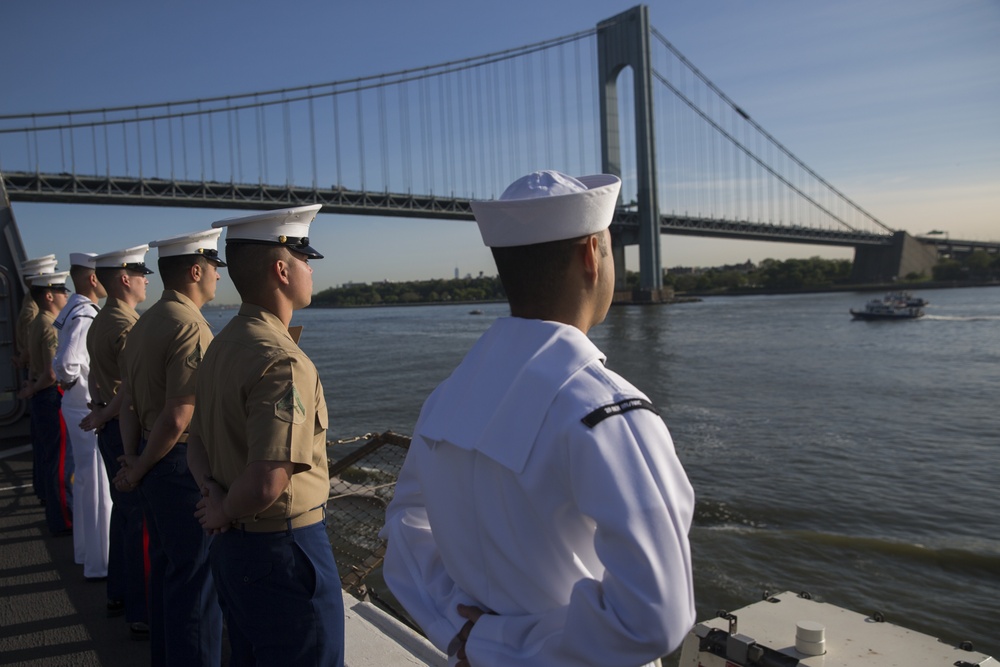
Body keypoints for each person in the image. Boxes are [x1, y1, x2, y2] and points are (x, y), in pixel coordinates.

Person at [381, 170, 696, 666]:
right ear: (592, 254)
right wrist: (498, 644)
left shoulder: (446, 399)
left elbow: (403, 525)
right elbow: (654, 618)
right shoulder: (607, 413)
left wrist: (461, 631)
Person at [187, 204, 345, 666]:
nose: (311, 270)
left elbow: (196, 442)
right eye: (305, 260)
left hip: (233, 548)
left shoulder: (222, 345)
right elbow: (265, 482)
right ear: (282, 269)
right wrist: (225, 506)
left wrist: (214, 500)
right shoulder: (284, 360)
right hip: (284, 551)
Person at [115, 229, 225, 667]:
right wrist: (140, 466)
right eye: (215, 268)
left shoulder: (145, 323)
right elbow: (180, 413)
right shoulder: (189, 326)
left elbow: (127, 402)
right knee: (196, 587)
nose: (218, 277)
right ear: (196, 270)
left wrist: (133, 456)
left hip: (150, 457)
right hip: (177, 465)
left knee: (167, 574)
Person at [82, 244, 151, 637]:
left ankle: (120, 592)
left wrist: (97, 407)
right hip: (125, 427)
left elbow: (95, 374)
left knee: (123, 514)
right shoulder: (127, 325)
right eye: (141, 274)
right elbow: (133, 386)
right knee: (139, 519)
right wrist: (107, 412)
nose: (145, 281)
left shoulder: (100, 319)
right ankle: (141, 609)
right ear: (125, 278)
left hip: (108, 425)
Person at [54, 252, 111, 580]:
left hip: (74, 406)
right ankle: (99, 562)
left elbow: (59, 358)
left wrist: (66, 381)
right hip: (87, 408)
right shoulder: (87, 314)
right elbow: (67, 362)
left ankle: (85, 554)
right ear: (93, 278)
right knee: (98, 489)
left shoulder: (72, 307)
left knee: (88, 483)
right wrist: (72, 382)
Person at [19, 270, 74, 535]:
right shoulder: (49, 323)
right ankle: (62, 519)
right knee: (60, 460)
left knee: (48, 455)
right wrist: (35, 389)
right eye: (62, 291)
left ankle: (53, 507)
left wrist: (31, 387)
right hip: (51, 397)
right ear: (50, 295)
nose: (66, 295)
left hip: (42, 397)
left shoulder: (39, 321)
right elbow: (52, 373)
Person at [16, 254, 59, 504]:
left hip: (35, 379)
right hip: (44, 386)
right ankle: (58, 510)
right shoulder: (41, 315)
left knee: (45, 450)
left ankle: (45, 493)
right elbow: (50, 368)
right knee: (55, 454)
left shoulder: (28, 307)